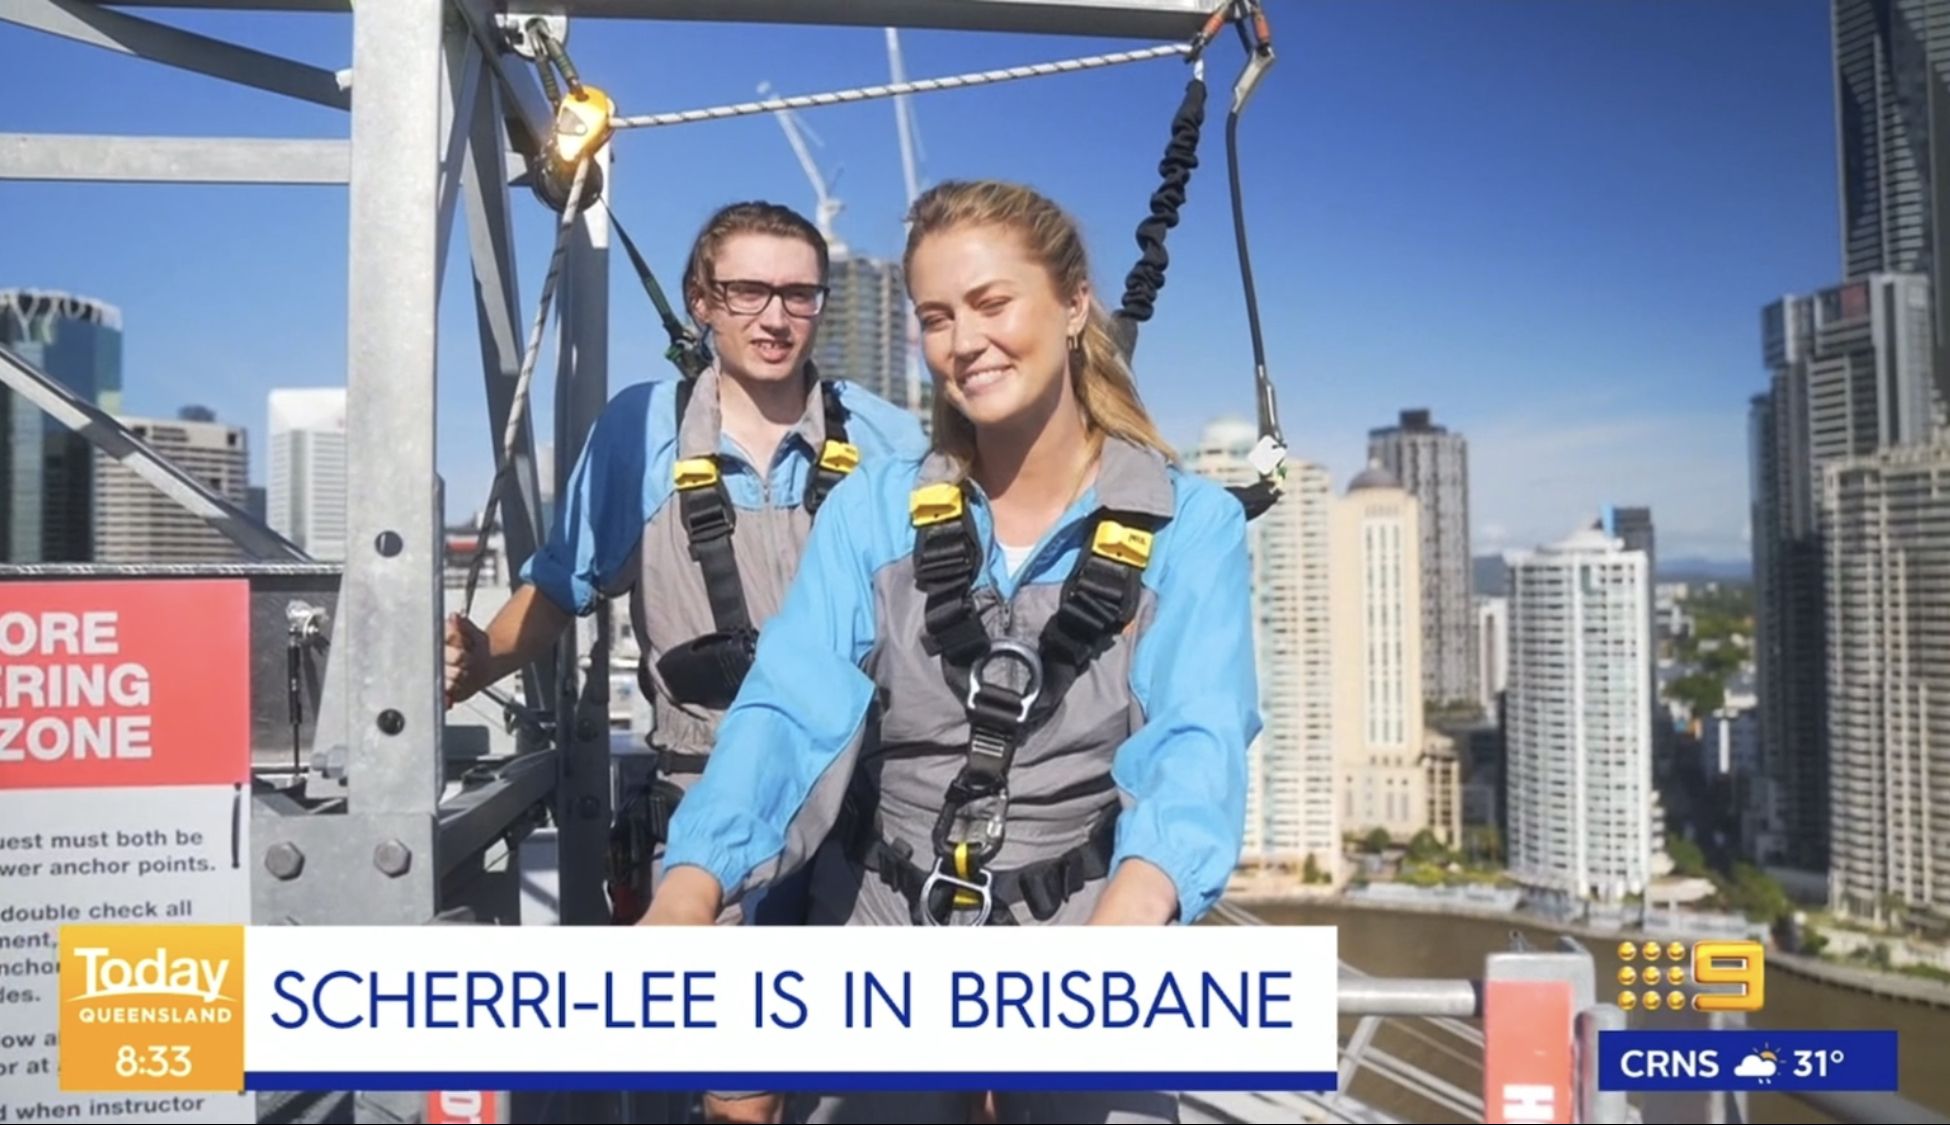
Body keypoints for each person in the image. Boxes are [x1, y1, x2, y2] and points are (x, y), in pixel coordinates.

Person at [641, 179, 1261, 1125]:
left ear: (1075, 304)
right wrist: (691, 887)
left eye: (991, 303)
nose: (964, 341)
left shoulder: (1191, 527)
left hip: (1090, 927)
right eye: (936, 318)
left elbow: (1195, 739)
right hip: (886, 925)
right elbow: (790, 711)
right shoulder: (875, 510)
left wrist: (1123, 939)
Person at [443, 200, 927, 1123]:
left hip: (867, 802)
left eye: (799, 294)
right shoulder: (645, 431)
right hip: (708, 793)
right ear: (701, 301)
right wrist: (480, 659)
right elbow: (563, 584)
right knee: (738, 1090)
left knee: (883, 1080)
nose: (775, 317)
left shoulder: (887, 440)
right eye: (747, 291)